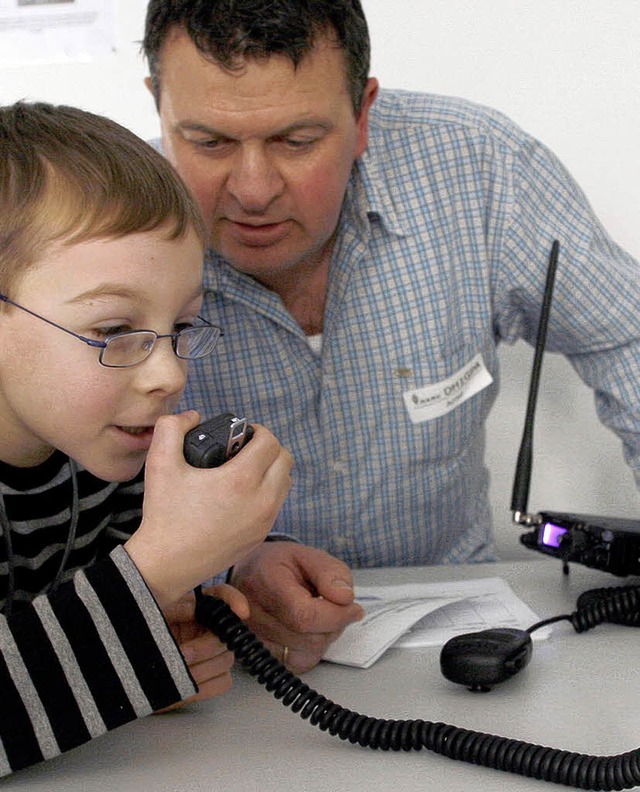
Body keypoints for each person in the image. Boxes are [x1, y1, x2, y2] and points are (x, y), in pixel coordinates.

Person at [141, 0, 640, 674]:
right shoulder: (115, 229)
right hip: (222, 648)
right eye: (208, 142)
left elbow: (628, 342)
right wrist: (225, 568)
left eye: (296, 140)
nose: (253, 190)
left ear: (363, 112)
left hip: (461, 634)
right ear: (157, 104)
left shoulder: (481, 168)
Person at [0, 100, 293, 777]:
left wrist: (150, 646)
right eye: (111, 330)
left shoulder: (111, 461)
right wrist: (157, 568)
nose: (168, 373)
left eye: (182, 327)